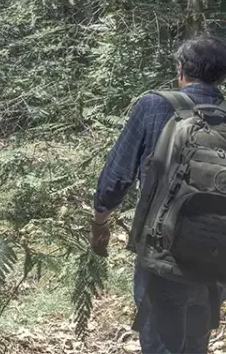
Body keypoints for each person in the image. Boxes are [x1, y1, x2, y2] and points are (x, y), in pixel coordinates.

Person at [92, 36, 226, 354]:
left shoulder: (155, 105)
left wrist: (100, 222)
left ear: (181, 69)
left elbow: (115, 178)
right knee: (196, 343)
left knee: (160, 342)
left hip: (163, 255)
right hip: (218, 255)